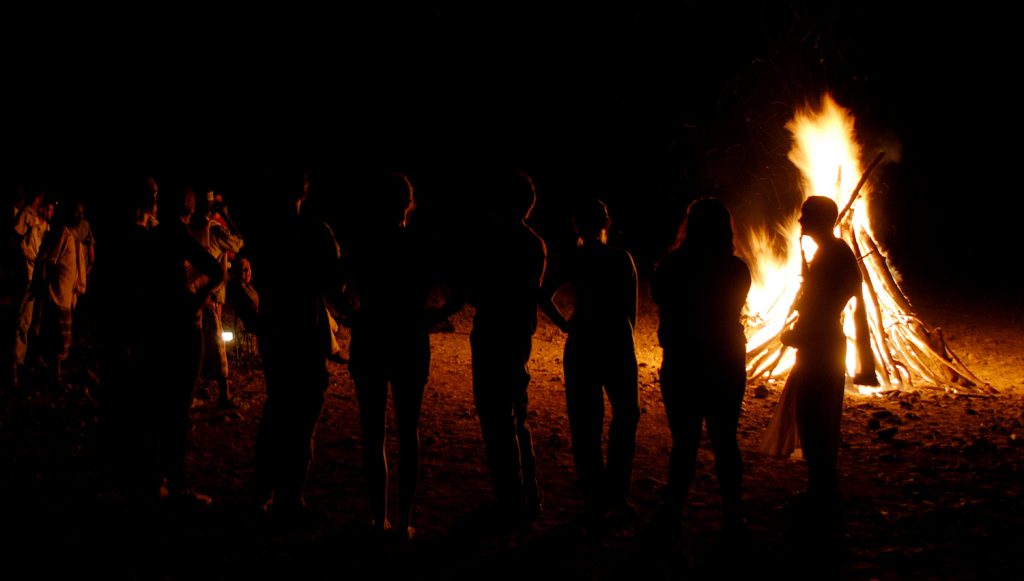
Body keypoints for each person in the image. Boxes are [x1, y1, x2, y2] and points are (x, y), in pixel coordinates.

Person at [437, 171, 547, 523]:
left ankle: (510, 498)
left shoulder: (492, 240)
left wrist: (442, 309)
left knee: (495, 417)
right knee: (515, 414)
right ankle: (528, 494)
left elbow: (475, 288)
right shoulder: (534, 243)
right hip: (518, 334)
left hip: (492, 333)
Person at [343, 172, 440, 540]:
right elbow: (458, 286)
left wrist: (352, 315)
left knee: (373, 433)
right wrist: (432, 316)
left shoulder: (363, 245)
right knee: (408, 431)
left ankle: (377, 517)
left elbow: (331, 284)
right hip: (409, 338)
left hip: (370, 336)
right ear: (407, 205)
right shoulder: (419, 244)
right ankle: (402, 523)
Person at [650, 197, 752, 536]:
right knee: (725, 439)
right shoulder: (736, 269)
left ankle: (674, 512)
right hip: (725, 360)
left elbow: (662, 301)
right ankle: (733, 513)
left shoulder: (671, 266)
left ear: (689, 226)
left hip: (683, 362)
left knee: (685, 441)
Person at [247, 171, 342, 526]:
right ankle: (289, 495)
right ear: (304, 192)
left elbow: (243, 276)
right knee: (303, 416)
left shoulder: (263, 235)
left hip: (275, 333)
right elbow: (334, 282)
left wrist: (253, 319)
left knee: (277, 411)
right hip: (304, 332)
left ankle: (262, 492)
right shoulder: (315, 232)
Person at [539, 198, 639, 531]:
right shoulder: (621, 258)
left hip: (582, 341)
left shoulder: (576, 258)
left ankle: (594, 499)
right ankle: (617, 494)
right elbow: (631, 309)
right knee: (626, 415)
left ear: (576, 226)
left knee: (586, 424)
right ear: (605, 224)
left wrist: (566, 324)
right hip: (616, 341)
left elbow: (543, 295)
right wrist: (624, 337)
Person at [765, 195, 861, 515]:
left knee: (818, 417)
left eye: (806, 215)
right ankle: (819, 489)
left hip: (822, 345)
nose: (799, 221)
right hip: (820, 343)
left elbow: (828, 304)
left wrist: (803, 334)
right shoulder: (831, 253)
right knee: (813, 417)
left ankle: (823, 492)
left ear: (820, 219)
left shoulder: (834, 255)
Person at [189, 190, 244, 409]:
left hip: (187, 295)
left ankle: (189, 394)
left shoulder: (186, 228)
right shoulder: (215, 230)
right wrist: (226, 214)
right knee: (217, 345)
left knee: (190, 348)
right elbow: (239, 243)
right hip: (206, 297)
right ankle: (224, 395)